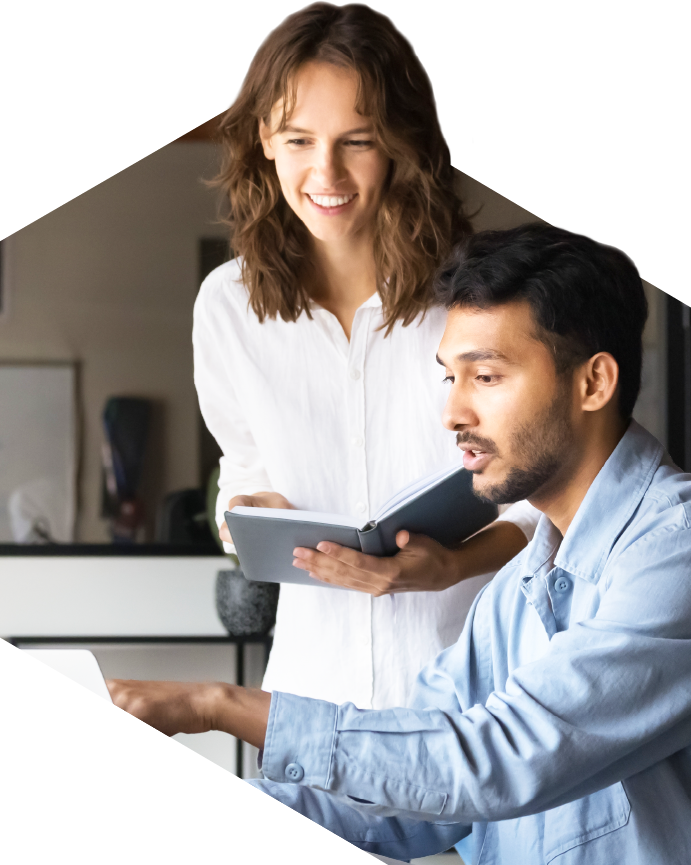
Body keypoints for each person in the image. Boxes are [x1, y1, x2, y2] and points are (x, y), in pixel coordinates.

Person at [112, 222, 691, 865]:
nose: (452, 413)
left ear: (593, 381)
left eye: (485, 377)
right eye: (448, 376)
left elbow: (492, 760)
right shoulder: (515, 590)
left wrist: (220, 706)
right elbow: (407, 786)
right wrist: (175, 827)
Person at [195, 0, 537, 711]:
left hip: (474, 705)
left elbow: (545, 497)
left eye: (356, 140)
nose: (326, 173)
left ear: (400, 141)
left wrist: (451, 567)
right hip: (310, 703)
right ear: (263, 137)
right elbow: (245, 470)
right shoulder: (228, 306)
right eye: (297, 139)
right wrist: (245, 510)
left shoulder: (481, 295)